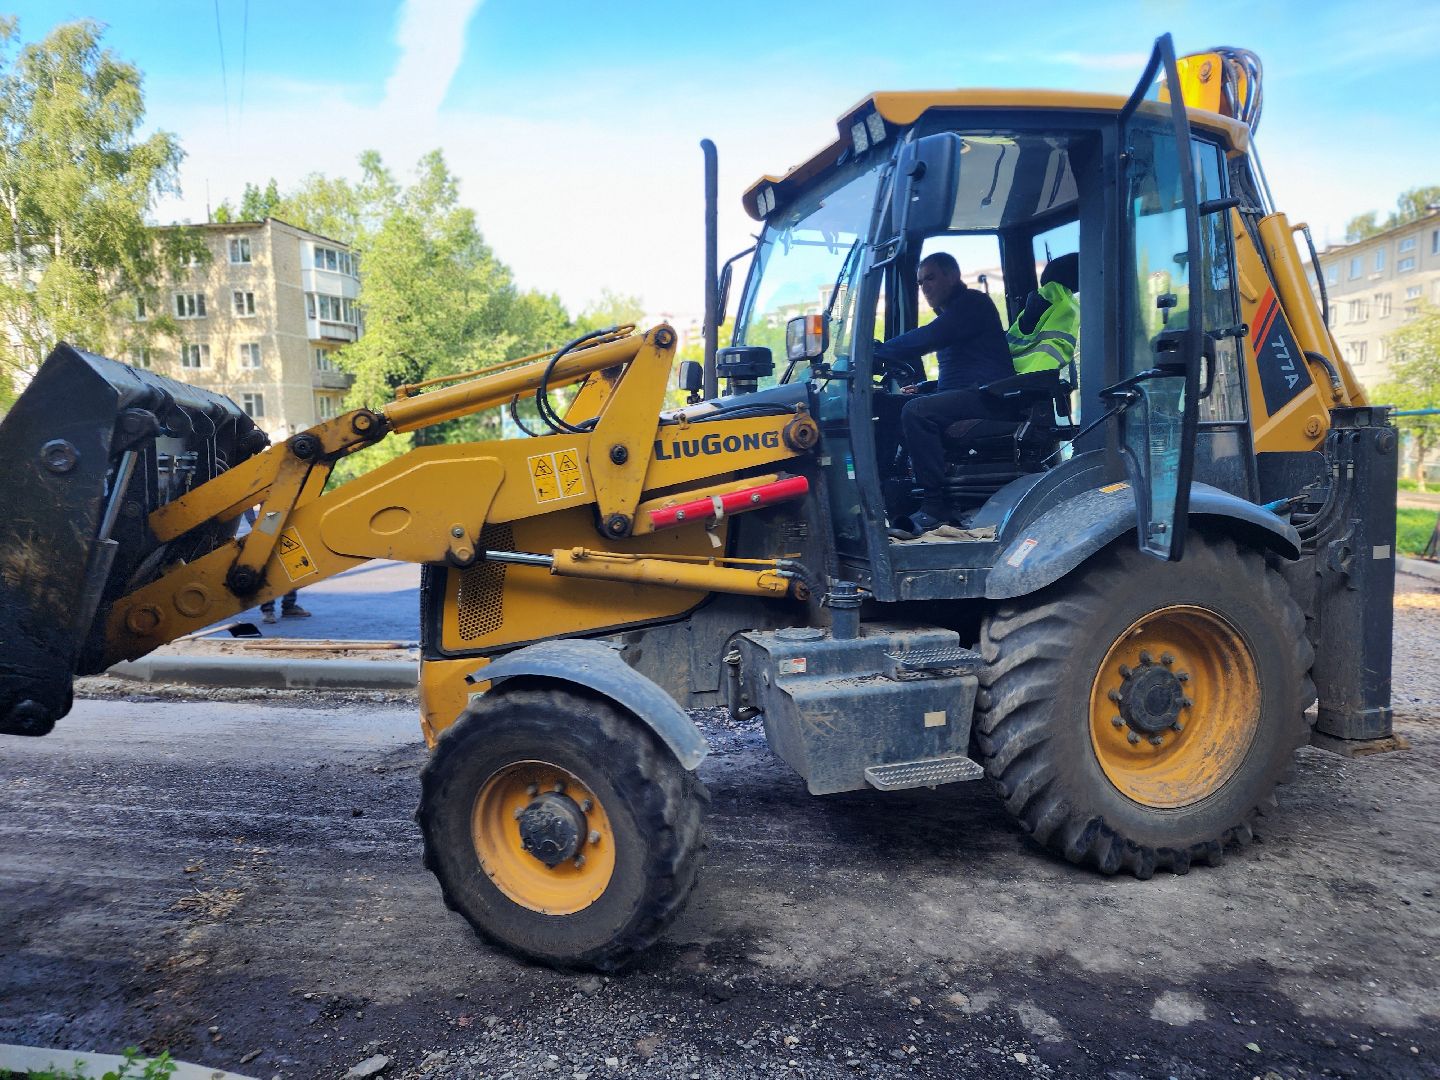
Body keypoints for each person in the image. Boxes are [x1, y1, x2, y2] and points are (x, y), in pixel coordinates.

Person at [872, 251, 1012, 533]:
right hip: (971, 394)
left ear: (953, 275)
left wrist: (875, 352)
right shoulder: (954, 315)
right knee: (884, 404)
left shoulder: (973, 304)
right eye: (921, 282)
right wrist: (927, 387)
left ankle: (936, 507)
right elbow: (966, 369)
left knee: (916, 411)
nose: (925, 287)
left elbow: (929, 336)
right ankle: (883, 498)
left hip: (993, 399)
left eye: (931, 278)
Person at [240, 508, 313, 625]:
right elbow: (248, 503)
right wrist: (253, 522)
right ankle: (269, 610)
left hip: (287, 515)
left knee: (293, 562)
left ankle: (288, 606)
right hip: (272, 516)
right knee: (270, 567)